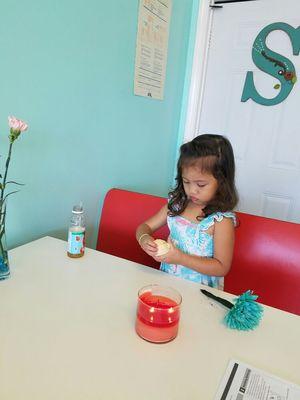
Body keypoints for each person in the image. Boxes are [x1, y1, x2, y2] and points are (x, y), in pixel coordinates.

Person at [136, 134, 238, 290]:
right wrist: (144, 239)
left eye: (201, 184)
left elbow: (222, 267)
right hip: (168, 284)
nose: (192, 190)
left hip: (201, 293)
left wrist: (180, 258)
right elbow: (145, 227)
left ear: (222, 182)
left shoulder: (221, 220)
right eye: (186, 182)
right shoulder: (176, 205)